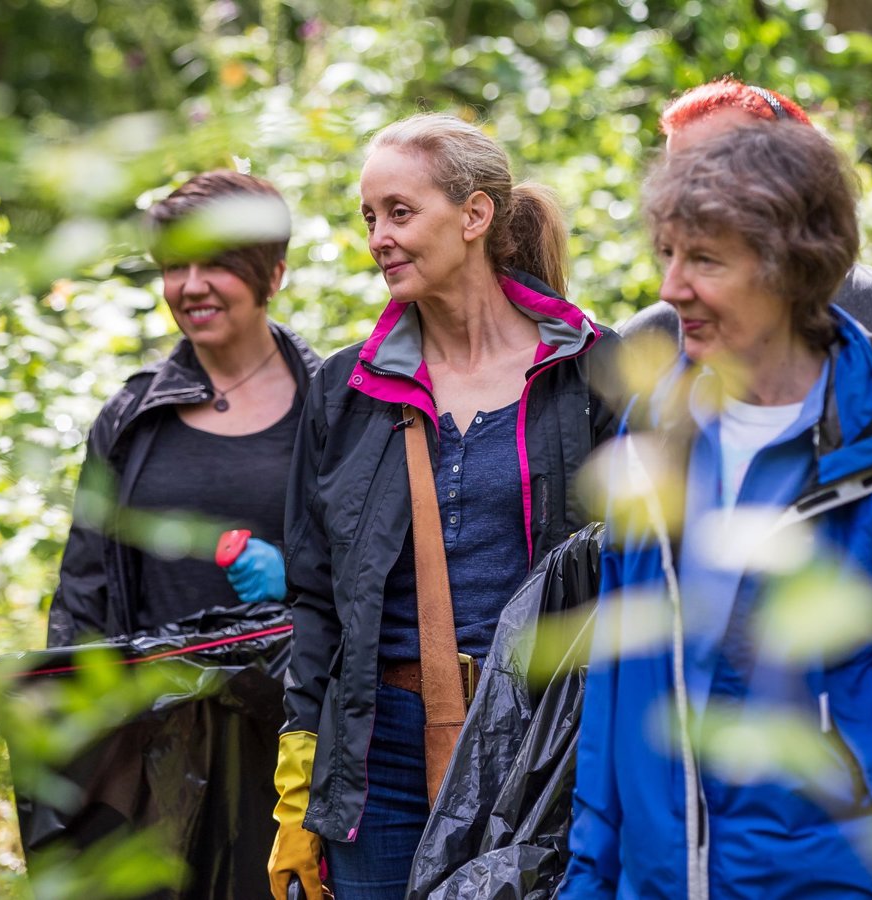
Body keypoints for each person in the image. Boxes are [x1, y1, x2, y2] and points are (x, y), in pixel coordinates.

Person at [563, 124, 872, 896]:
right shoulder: (655, 426)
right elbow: (619, 693)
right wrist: (591, 880)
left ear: (790, 267)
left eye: (705, 259)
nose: (671, 288)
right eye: (668, 254)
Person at [268, 113, 619, 900]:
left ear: (475, 215)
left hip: (541, 743)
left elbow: (636, 577)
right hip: (378, 752)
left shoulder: (592, 372)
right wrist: (298, 784)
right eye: (368, 217)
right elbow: (317, 595)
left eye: (400, 211)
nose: (378, 238)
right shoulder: (345, 390)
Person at [621, 77, 872, 461]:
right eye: (676, 174)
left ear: (798, 178)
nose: (687, 195)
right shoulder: (649, 341)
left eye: (716, 168)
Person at [47, 169, 321, 645]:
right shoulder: (131, 414)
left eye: (216, 264)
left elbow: (384, 576)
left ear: (273, 275)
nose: (191, 287)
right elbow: (84, 589)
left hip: (297, 711)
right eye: (176, 266)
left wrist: (297, 575)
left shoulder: (332, 407)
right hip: (154, 711)